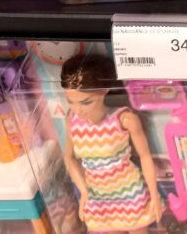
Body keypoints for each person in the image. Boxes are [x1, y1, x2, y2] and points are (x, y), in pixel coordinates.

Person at [60, 53, 160, 233]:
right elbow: (69, 158)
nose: (78, 110)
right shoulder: (72, 120)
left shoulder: (124, 119)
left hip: (129, 191)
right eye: (71, 102)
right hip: (97, 196)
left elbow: (145, 156)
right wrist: (84, 192)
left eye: (86, 102)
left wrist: (154, 195)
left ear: (104, 91)